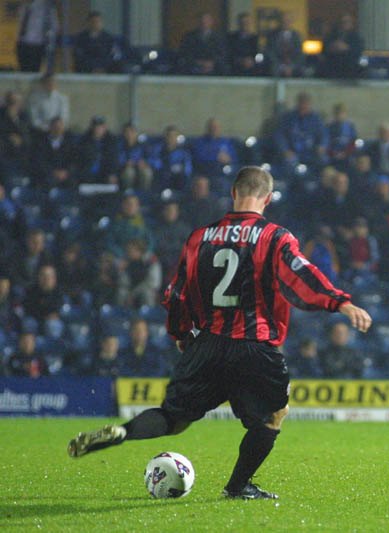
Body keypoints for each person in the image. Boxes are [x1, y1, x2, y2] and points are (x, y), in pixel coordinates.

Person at [67, 166, 372, 502]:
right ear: (267, 199)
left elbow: (176, 292)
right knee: (273, 415)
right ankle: (238, 486)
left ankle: (122, 431)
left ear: (233, 193)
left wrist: (181, 332)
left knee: (173, 418)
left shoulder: (201, 237)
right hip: (254, 346)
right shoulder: (275, 237)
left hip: (207, 343)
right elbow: (302, 276)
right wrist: (341, 303)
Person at [275, 92, 328, 169]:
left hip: (311, 152)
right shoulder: (289, 118)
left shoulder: (316, 119)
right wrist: (285, 150)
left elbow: (324, 135)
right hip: (293, 152)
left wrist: (322, 146)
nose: (304, 106)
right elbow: (280, 136)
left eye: (306, 104)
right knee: (290, 162)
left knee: (324, 160)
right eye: (302, 103)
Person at [31, 117, 75, 188]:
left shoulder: (69, 143)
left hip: (65, 175)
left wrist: (66, 172)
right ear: (51, 128)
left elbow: (73, 160)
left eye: (60, 128)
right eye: (56, 127)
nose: (58, 130)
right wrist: (53, 172)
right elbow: (40, 161)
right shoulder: (42, 143)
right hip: (48, 175)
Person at [16, 0, 58, 72]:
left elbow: (54, 27)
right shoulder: (25, 7)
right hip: (22, 43)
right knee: (23, 70)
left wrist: (47, 40)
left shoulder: (46, 8)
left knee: (34, 70)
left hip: (37, 45)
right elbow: (21, 23)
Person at [149, 125, 193, 190]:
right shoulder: (157, 150)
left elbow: (188, 168)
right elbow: (153, 162)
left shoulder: (183, 153)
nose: (171, 138)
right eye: (169, 135)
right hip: (161, 176)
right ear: (165, 137)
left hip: (177, 177)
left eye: (174, 136)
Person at [320, 14, 364, 79]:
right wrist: (332, 47)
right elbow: (324, 52)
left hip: (350, 69)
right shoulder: (331, 36)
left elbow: (358, 53)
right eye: (342, 22)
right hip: (332, 68)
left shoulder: (356, 38)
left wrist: (347, 48)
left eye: (346, 22)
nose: (344, 25)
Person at [0, 91, 32, 179]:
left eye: (15, 102)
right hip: (5, 147)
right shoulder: (1, 114)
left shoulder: (24, 115)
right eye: (10, 102)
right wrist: (9, 118)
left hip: (21, 148)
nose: (13, 105)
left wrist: (15, 119)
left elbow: (27, 132)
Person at [76, 115, 117, 183]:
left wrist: (112, 173)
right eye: (95, 126)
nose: (97, 129)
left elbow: (113, 159)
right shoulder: (84, 141)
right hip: (88, 173)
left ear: (104, 127)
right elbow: (80, 159)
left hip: (104, 173)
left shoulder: (111, 141)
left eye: (100, 126)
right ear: (91, 127)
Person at [267, 11, 304, 77]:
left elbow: (300, 53)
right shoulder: (272, 35)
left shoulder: (297, 36)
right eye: (283, 21)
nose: (285, 23)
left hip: (294, 67)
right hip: (277, 66)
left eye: (288, 20)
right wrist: (282, 67)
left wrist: (291, 67)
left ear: (291, 21)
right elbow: (270, 52)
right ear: (279, 21)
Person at [118, 123, 153, 190]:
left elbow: (151, 158)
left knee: (147, 173)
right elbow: (118, 159)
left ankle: (144, 193)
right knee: (129, 173)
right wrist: (125, 163)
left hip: (140, 168)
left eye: (132, 132)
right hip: (125, 169)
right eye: (127, 132)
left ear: (136, 133)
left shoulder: (144, 146)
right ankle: (128, 193)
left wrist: (145, 163)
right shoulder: (120, 146)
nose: (129, 135)